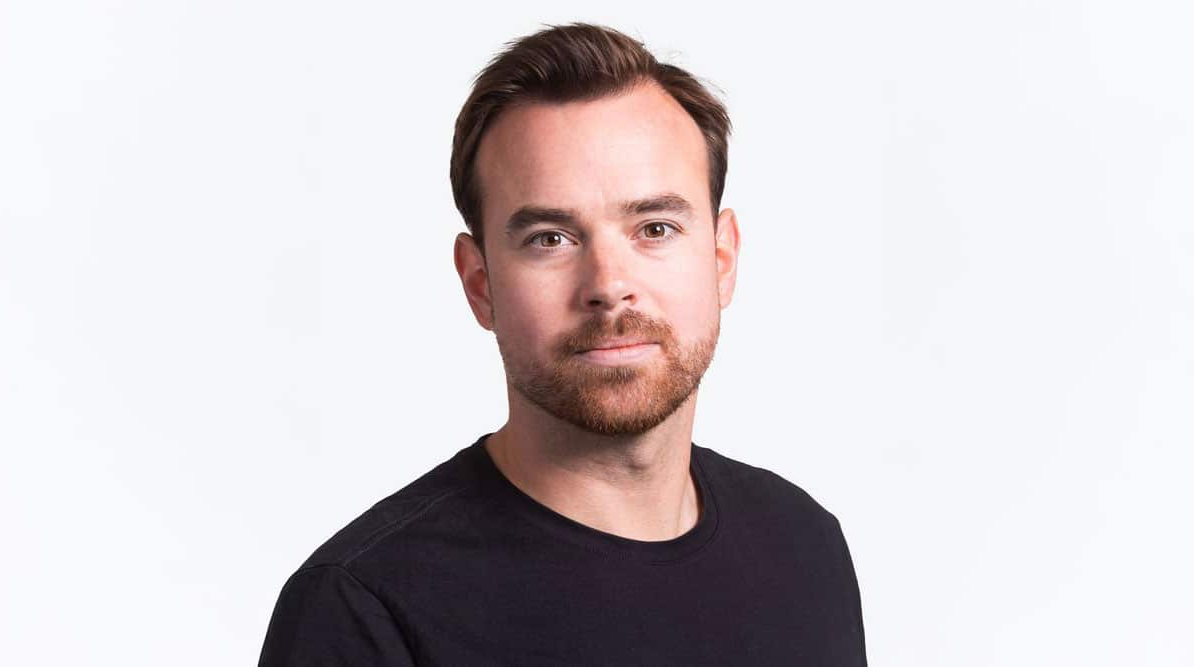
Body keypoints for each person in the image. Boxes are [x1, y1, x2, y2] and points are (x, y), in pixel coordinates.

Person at [258, 21, 866, 666]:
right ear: (480, 284)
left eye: (655, 227)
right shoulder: (363, 609)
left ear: (721, 260)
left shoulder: (804, 545)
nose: (609, 286)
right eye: (550, 238)